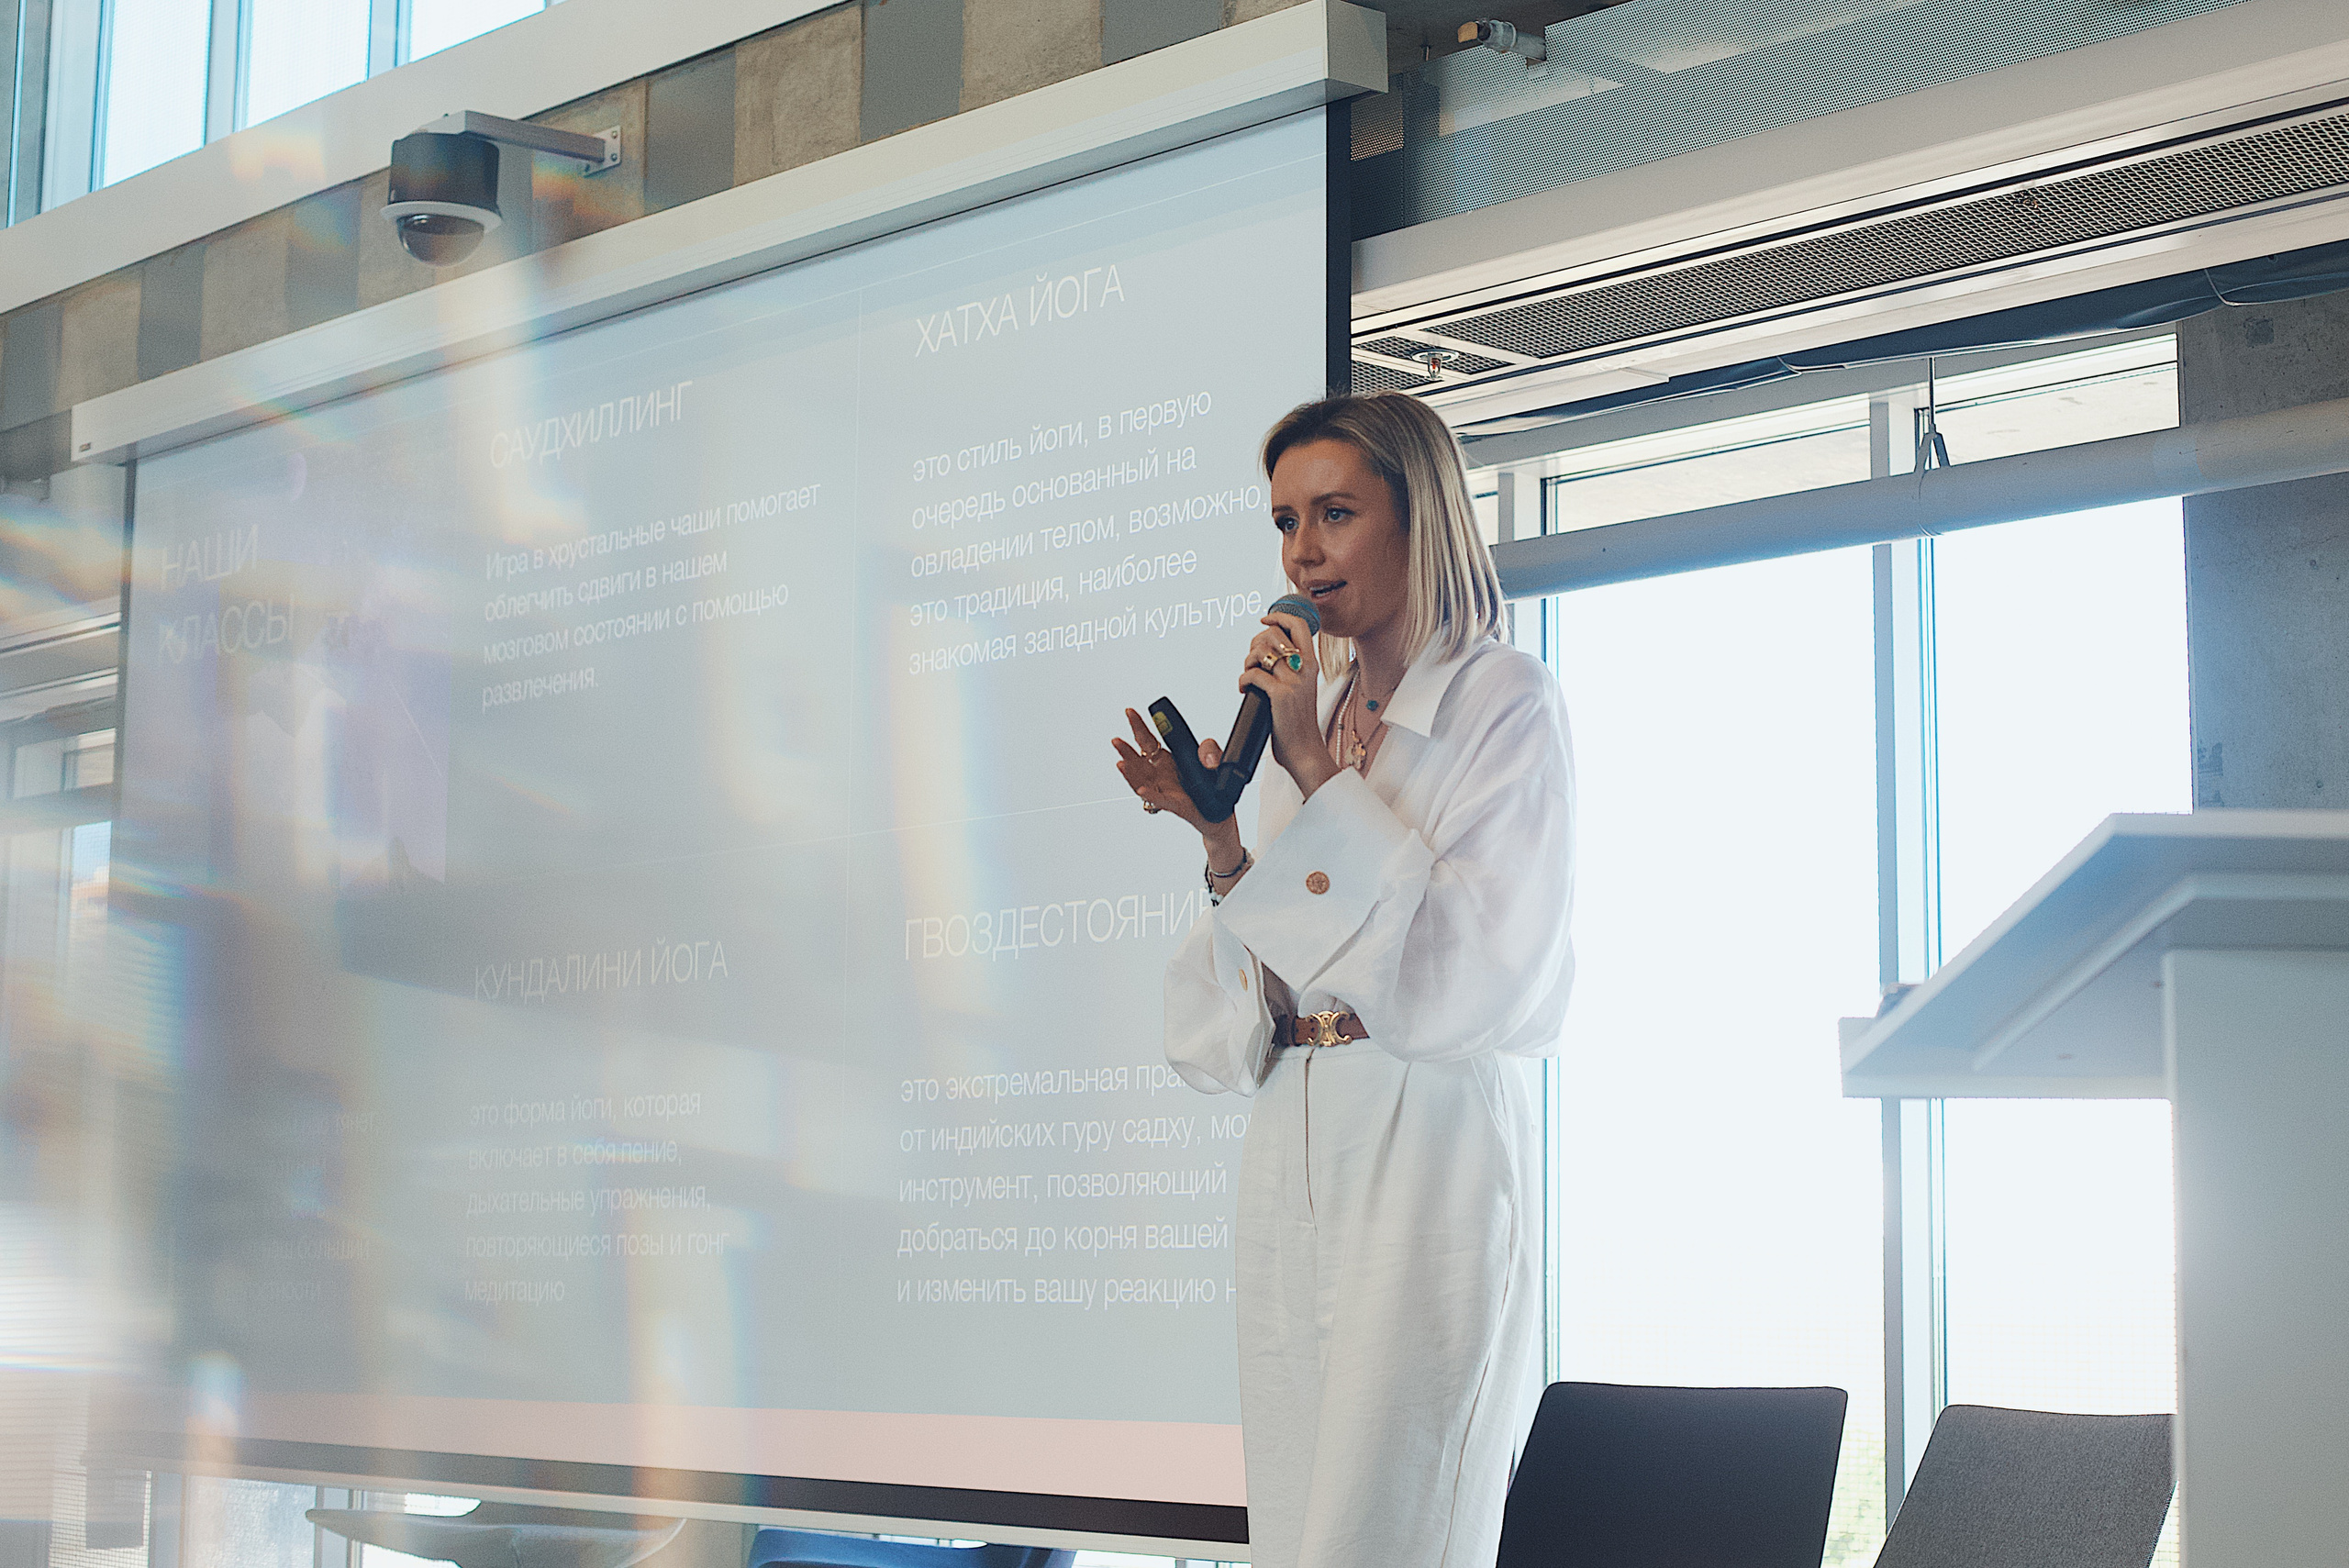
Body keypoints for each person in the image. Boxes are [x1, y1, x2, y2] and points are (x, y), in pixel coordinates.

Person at [1109, 391, 1576, 1568]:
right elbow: (1234, 1021)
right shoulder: (1304, 720)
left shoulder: (1501, 702)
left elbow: (1463, 978)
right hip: (1293, 1138)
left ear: (1418, 518)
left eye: (1333, 513)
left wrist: (1314, 763)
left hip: (1426, 1140)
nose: (1301, 551)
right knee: (1298, 1528)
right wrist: (1221, 840)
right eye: (1282, 522)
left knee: (1388, 1524)